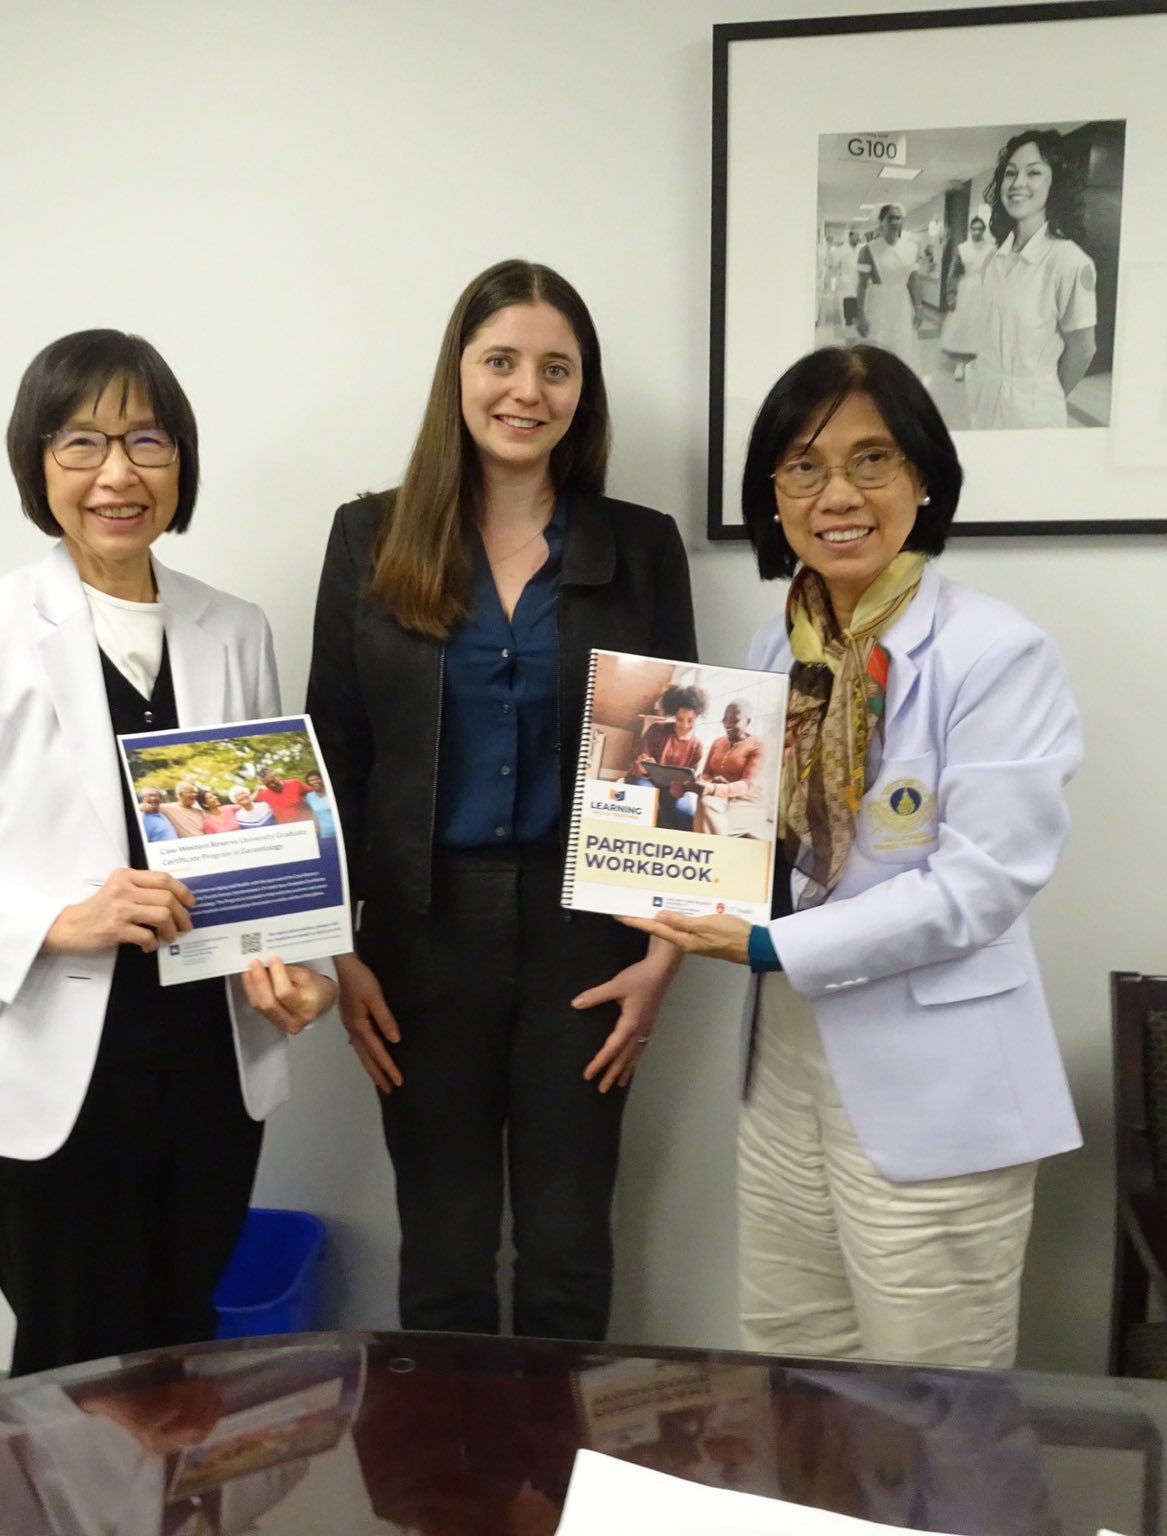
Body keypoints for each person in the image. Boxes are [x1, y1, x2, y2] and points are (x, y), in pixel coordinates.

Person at [0, 328, 335, 1376]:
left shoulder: (234, 629)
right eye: (81, 443)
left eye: (146, 441)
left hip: (209, 1069)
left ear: (180, 461)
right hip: (56, 1075)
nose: (117, 474)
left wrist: (301, 966)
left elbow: (269, 840)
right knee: (69, 1380)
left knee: (184, 1361)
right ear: (38, 463)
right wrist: (55, 921)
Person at [625, 344, 1083, 1369]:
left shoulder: (994, 653)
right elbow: (747, 842)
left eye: (871, 460)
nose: (836, 494)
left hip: (932, 1075)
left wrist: (768, 946)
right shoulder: (773, 649)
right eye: (803, 466)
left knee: (933, 1395)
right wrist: (653, 868)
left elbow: (981, 885)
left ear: (924, 477)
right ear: (773, 496)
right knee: (793, 1368)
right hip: (783, 1063)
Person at [307, 258, 697, 1341]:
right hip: (416, 937)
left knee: (569, 1250)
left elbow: (682, 765)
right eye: (501, 362)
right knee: (442, 1251)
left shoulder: (639, 547)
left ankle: (563, 1452)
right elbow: (334, 757)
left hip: (589, 935)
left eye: (556, 369)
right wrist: (337, 952)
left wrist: (665, 957)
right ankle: (448, 1456)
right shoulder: (368, 538)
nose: (527, 391)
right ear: (459, 374)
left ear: (583, 391)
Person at [960, 131, 1098, 428]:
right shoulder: (994, 258)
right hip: (985, 396)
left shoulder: (1068, 261)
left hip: (1032, 410)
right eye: (1011, 173)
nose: (1017, 183)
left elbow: (1083, 349)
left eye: (1033, 172)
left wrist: (1045, 395)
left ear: (1055, 183)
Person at [632, 682, 709, 831]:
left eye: (691, 720)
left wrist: (682, 788)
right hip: (647, 781)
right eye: (680, 719)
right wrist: (644, 765)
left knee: (686, 814)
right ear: (674, 716)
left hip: (675, 790)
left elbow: (690, 778)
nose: (685, 725)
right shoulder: (657, 729)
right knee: (645, 801)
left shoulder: (697, 746)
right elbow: (638, 762)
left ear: (698, 717)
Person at [855, 205, 923, 370]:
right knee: (879, 343)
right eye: (890, 218)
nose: (894, 222)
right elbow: (862, 284)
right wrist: (860, 315)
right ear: (881, 222)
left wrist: (918, 308)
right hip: (879, 302)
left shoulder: (911, 248)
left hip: (902, 302)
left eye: (897, 218)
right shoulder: (869, 250)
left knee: (902, 342)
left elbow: (913, 280)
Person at [690, 700, 768, 836]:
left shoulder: (758, 746)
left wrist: (714, 788)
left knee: (710, 826)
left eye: (735, 720)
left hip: (748, 802)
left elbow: (748, 784)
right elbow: (707, 773)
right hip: (721, 798)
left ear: (748, 721)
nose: (728, 724)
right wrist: (707, 781)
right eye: (725, 718)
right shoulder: (717, 742)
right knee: (705, 803)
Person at [937, 217, 995, 383]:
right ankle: (960, 364)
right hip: (966, 290)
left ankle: (978, 364)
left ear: (984, 230)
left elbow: (995, 272)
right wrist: (951, 295)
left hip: (985, 290)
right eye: (974, 229)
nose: (976, 232)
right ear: (970, 230)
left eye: (979, 229)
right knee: (963, 326)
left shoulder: (991, 249)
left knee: (981, 326)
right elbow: (953, 273)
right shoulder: (962, 248)